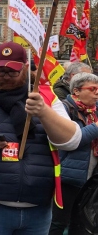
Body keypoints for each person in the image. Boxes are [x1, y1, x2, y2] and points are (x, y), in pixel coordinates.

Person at [0, 42, 80, 235]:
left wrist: (44, 112)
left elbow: (72, 141)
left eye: (12, 72)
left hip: (38, 208)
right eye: (0, 71)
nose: (5, 77)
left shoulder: (45, 97)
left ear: (26, 68)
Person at [49, 72, 98, 235]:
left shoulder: (94, 111)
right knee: (59, 222)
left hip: (89, 178)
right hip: (67, 177)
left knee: (82, 223)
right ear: (76, 91)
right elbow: (72, 140)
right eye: (93, 89)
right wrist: (96, 127)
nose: (97, 93)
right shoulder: (63, 108)